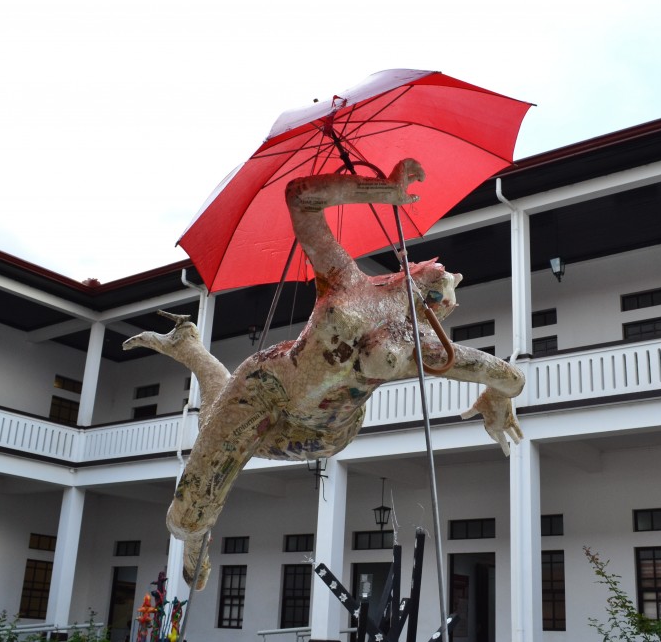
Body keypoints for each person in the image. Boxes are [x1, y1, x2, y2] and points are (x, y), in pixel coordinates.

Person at [124, 159, 524, 589]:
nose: (444, 296)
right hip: (267, 388)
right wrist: (383, 191)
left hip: (324, 433)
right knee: (186, 514)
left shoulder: (421, 347)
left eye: (447, 298)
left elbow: (508, 375)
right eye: (441, 286)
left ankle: (189, 348)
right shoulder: (346, 278)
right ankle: (194, 533)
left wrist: (495, 399)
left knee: (211, 429)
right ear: (414, 273)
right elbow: (301, 198)